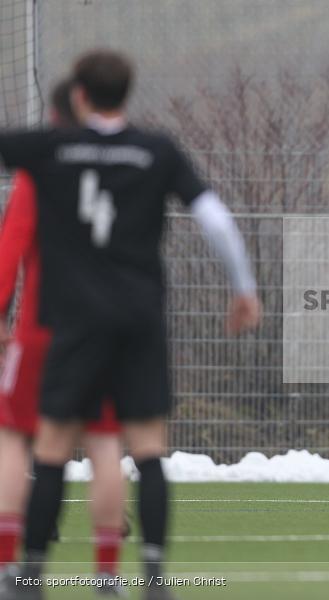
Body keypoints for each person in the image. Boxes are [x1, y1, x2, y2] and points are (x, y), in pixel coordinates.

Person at [0, 49, 261, 600]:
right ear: (127, 91)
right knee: (141, 447)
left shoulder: (52, 149)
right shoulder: (155, 150)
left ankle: (29, 574)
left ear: (79, 96)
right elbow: (213, 217)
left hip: (73, 320)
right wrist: (242, 286)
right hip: (139, 319)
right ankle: (151, 574)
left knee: (48, 446)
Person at [0, 79, 129, 597]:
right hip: (106, 328)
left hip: (42, 327)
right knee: (101, 442)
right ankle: (108, 567)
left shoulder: (41, 173)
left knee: (15, 437)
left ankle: (13, 562)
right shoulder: (126, 170)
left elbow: (10, 250)